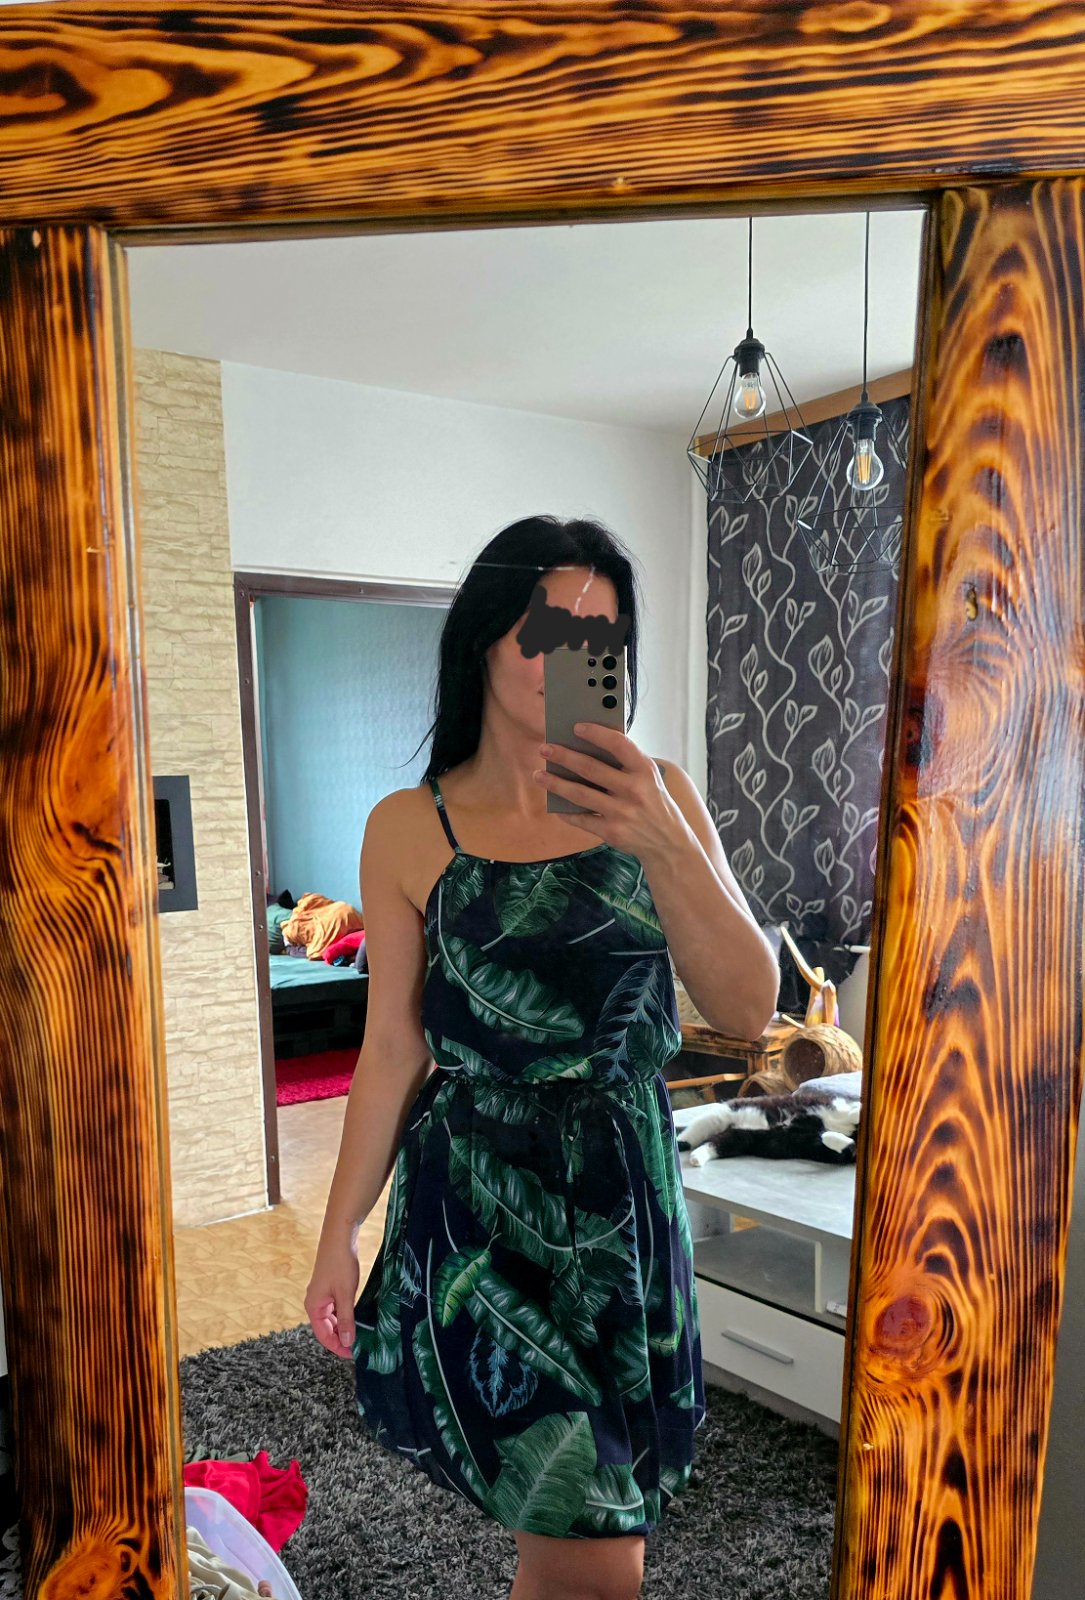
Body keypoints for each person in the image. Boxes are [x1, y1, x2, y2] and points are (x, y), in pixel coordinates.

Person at [305, 515, 779, 1600]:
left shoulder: (660, 796)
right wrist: (340, 1231)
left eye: (599, 635)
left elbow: (747, 1007)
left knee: (584, 1521)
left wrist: (658, 839)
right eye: (547, 629)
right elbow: (392, 1049)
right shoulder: (409, 827)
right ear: (481, 636)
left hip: (622, 1196)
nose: (574, 655)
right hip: (480, 1203)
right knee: (587, 1534)